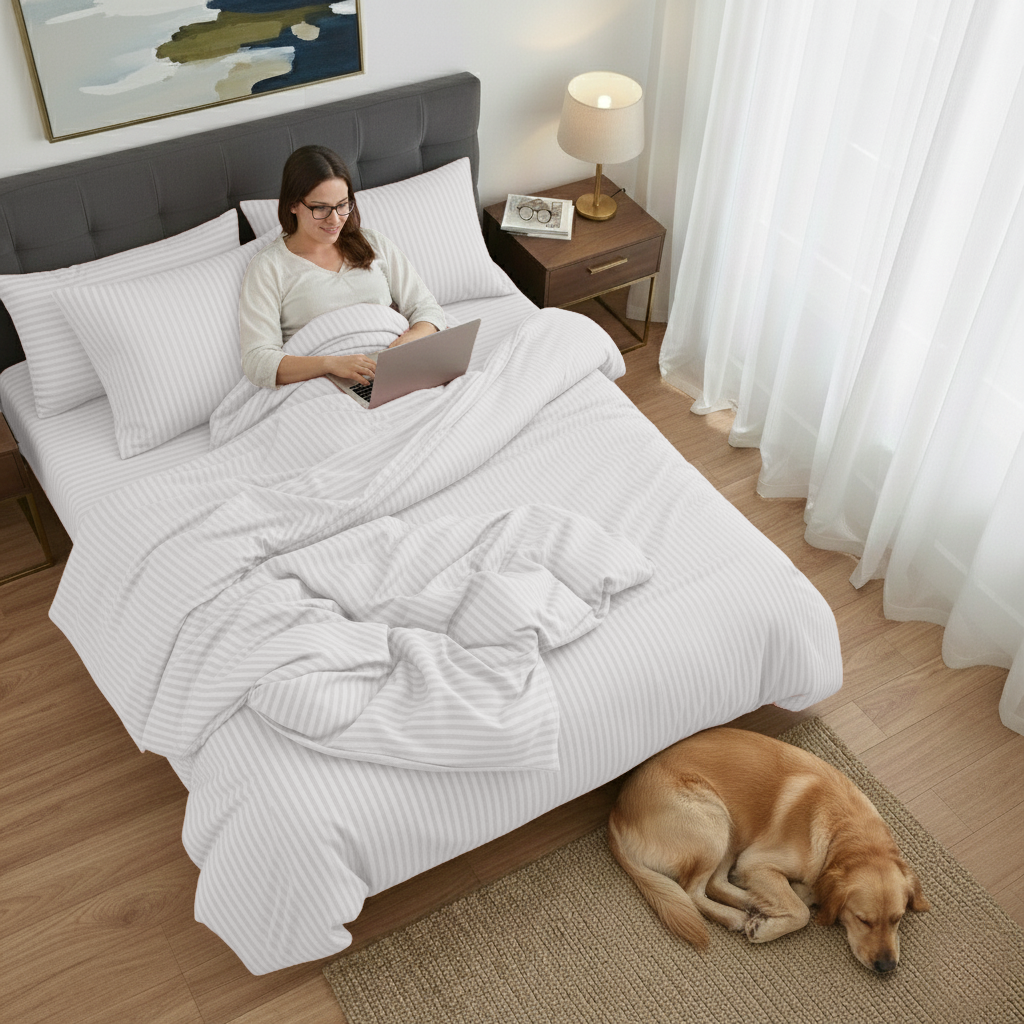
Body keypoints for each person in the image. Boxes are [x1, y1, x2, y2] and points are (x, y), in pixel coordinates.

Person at [238, 145, 445, 389]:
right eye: (321, 208)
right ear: (293, 204)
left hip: (392, 371)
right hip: (323, 384)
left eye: (343, 205)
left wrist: (413, 338)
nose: (335, 219)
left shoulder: (373, 243)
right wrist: (330, 364)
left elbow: (426, 308)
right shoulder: (269, 267)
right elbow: (258, 361)